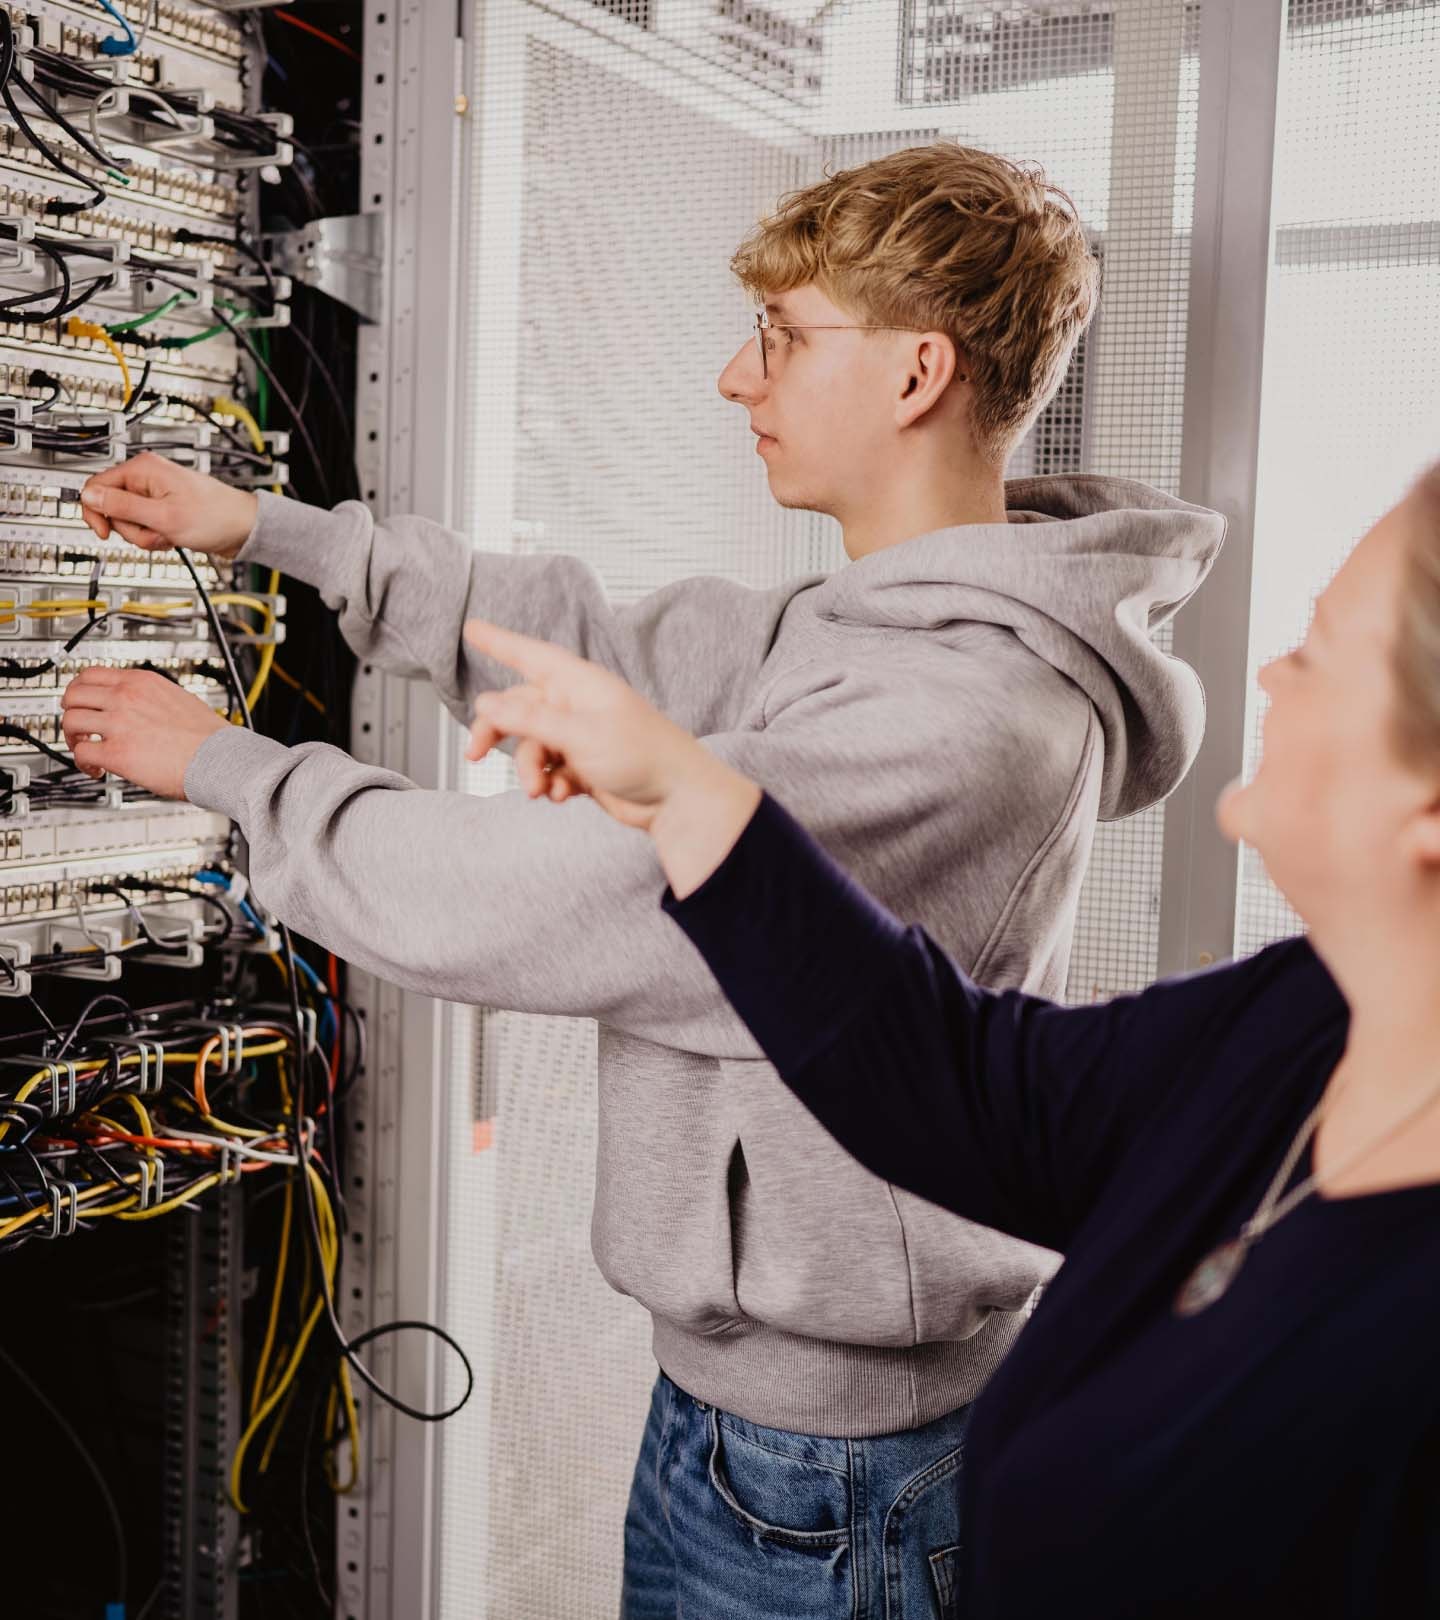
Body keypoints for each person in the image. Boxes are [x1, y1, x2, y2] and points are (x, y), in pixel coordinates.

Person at [62, 145, 1224, 1617]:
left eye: (783, 338)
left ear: (917, 371)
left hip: (838, 1475)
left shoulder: (963, 714)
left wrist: (229, 768)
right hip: (739, 1430)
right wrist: (268, 532)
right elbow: (590, 644)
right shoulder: (854, 624)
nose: (739, 379)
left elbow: (580, 888)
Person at [450, 457, 1440, 1618]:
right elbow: (970, 1084)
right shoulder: (1304, 1015)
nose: (1272, 671)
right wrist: (685, 792)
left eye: (1320, 652)